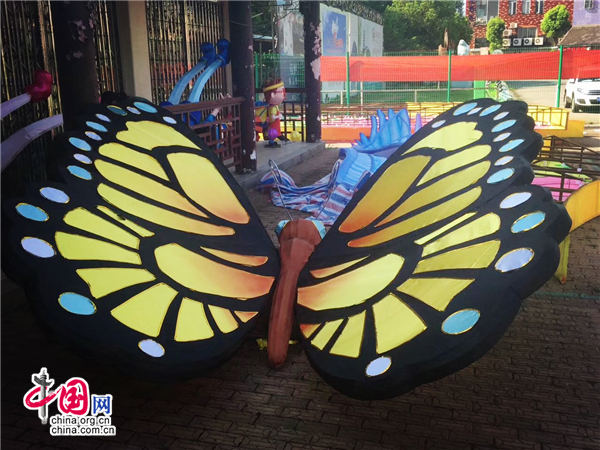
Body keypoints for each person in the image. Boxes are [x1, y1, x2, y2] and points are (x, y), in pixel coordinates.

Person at [263, 79, 286, 147]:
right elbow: (272, 117)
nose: (283, 95)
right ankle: (271, 142)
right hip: (273, 125)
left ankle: (272, 142)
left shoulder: (274, 106)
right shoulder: (272, 108)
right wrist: (278, 116)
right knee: (273, 133)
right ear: (272, 95)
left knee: (275, 134)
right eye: (282, 92)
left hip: (275, 125)